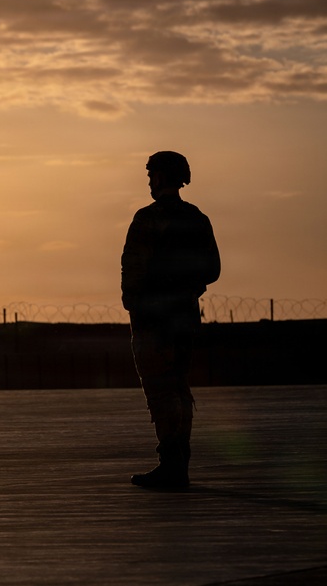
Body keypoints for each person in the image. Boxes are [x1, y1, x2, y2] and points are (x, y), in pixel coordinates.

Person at [121, 151, 220, 489]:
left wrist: (137, 302)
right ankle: (179, 465)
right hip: (185, 318)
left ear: (160, 177)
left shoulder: (148, 219)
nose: (149, 181)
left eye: (151, 175)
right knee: (179, 388)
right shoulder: (197, 218)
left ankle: (171, 465)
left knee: (160, 392)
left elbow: (132, 271)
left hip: (153, 321)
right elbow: (212, 269)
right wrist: (186, 288)